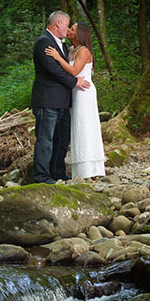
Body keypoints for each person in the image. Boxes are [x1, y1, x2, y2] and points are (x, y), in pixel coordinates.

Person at [31, 11, 90, 184]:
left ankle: (57, 172)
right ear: (57, 24)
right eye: (67, 24)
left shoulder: (62, 46)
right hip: (47, 100)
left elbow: (64, 67)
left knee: (62, 139)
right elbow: (53, 70)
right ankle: (41, 176)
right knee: (45, 139)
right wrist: (74, 82)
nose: (68, 29)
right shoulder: (43, 42)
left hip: (63, 102)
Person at [45, 22, 106, 179]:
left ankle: (92, 168)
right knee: (77, 127)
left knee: (85, 126)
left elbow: (73, 70)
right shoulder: (71, 50)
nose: (69, 30)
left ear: (80, 34)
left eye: (72, 29)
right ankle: (80, 169)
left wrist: (58, 58)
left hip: (84, 92)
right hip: (74, 92)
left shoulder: (84, 51)